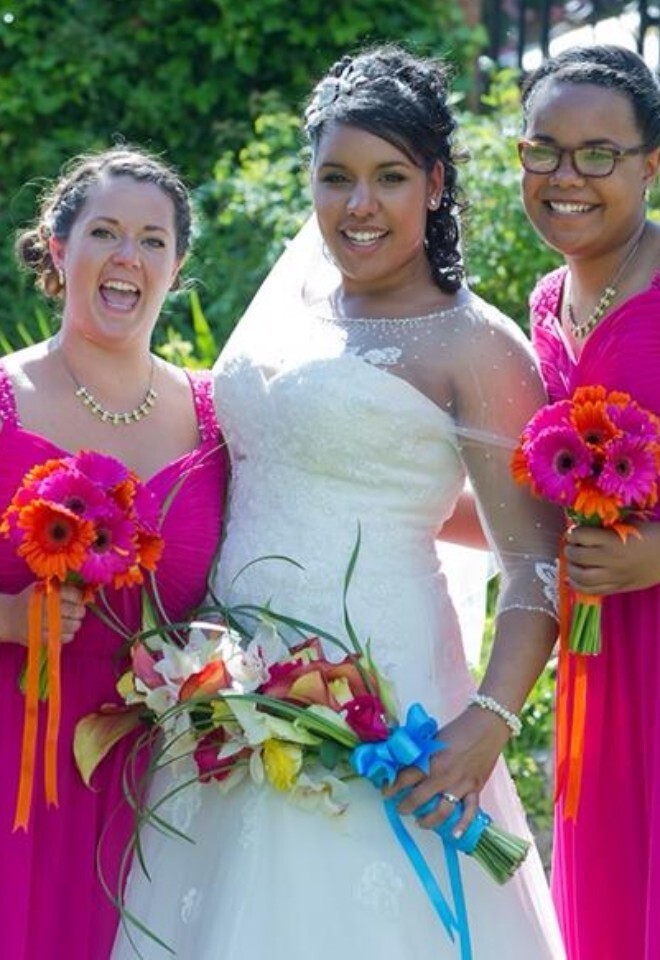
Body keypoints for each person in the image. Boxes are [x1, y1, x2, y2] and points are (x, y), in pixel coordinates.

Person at [112, 47, 565, 959]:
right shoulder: (290, 305)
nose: (359, 204)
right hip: (228, 688)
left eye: (389, 177)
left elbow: (534, 566)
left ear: (435, 183)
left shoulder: (478, 348)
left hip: (391, 695)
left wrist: (489, 723)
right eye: (336, 177)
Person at [0, 146, 229, 959]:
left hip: (157, 777)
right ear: (58, 250)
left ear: (177, 267)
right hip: (14, 753)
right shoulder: (4, 398)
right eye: (104, 232)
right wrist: (8, 616)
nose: (129, 255)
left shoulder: (217, 419)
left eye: (152, 240)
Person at [518, 44, 660, 960]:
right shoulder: (544, 304)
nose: (566, 177)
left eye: (599, 154)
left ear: (652, 164)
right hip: (600, 659)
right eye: (544, 150)